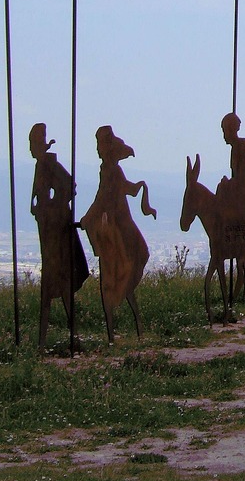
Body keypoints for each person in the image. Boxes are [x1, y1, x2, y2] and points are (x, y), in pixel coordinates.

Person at [79, 125, 154, 342]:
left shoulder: (112, 172)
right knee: (112, 278)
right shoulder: (109, 172)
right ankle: (118, 330)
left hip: (117, 229)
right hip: (113, 228)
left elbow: (102, 198)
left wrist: (88, 217)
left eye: (100, 144)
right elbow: (104, 197)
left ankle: (120, 330)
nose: (98, 149)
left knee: (115, 276)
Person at [28, 123, 89, 348]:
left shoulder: (50, 164)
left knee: (59, 285)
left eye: (32, 143)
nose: (30, 148)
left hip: (56, 234)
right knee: (52, 287)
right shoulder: (40, 166)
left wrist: (52, 207)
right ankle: (45, 341)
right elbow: (37, 197)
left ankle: (65, 339)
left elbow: (69, 186)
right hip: (47, 233)